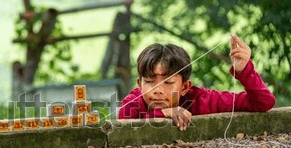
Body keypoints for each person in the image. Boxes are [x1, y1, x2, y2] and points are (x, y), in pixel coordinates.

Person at [118, 34, 276, 130]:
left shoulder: (202, 100)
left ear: (185, 87)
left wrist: (244, 71)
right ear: (139, 84)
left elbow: (263, 103)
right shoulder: (133, 103)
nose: (158, 90)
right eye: (150, 82)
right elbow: (123, 128)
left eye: (168, 82)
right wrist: (163, 113)